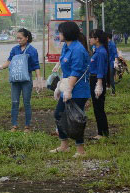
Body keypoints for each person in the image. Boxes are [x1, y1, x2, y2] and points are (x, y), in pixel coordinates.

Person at [50, 21, 90, 157]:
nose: (59, 34)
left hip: (78, 90)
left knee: (76, 119)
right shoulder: (66, 47)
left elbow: (76, 71)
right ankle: (64, 145)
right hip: (67, 86)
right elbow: (66, 71)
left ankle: (80, 150)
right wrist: (60, 87)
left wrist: (69, 90)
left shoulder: (78, 49)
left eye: (60, 32)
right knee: (59, 114)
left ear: (67, 33)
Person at [0, 28, 42, 133]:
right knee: (14, 102)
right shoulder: (15, 49)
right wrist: (0, 67)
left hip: (27, 79)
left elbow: (36, 66)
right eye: (17, 38)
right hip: (15, 79)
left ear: (27, 38)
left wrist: (38, 79)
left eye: (20, 38)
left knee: (26, 102)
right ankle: (14, 125)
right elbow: (9, 61)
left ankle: (27, 126)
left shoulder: (32, 50)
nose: (18, 40)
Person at [88, 29, 110, 139]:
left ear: (97, 39)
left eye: (91, 37)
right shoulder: (97, 50)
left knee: (99, 107)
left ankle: (102, 133)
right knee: (97, 107)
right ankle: (101, 131)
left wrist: (99, 83)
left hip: (97, 80)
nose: (89, 39)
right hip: (94, 79)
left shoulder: (101, 52)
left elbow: (101, 69)